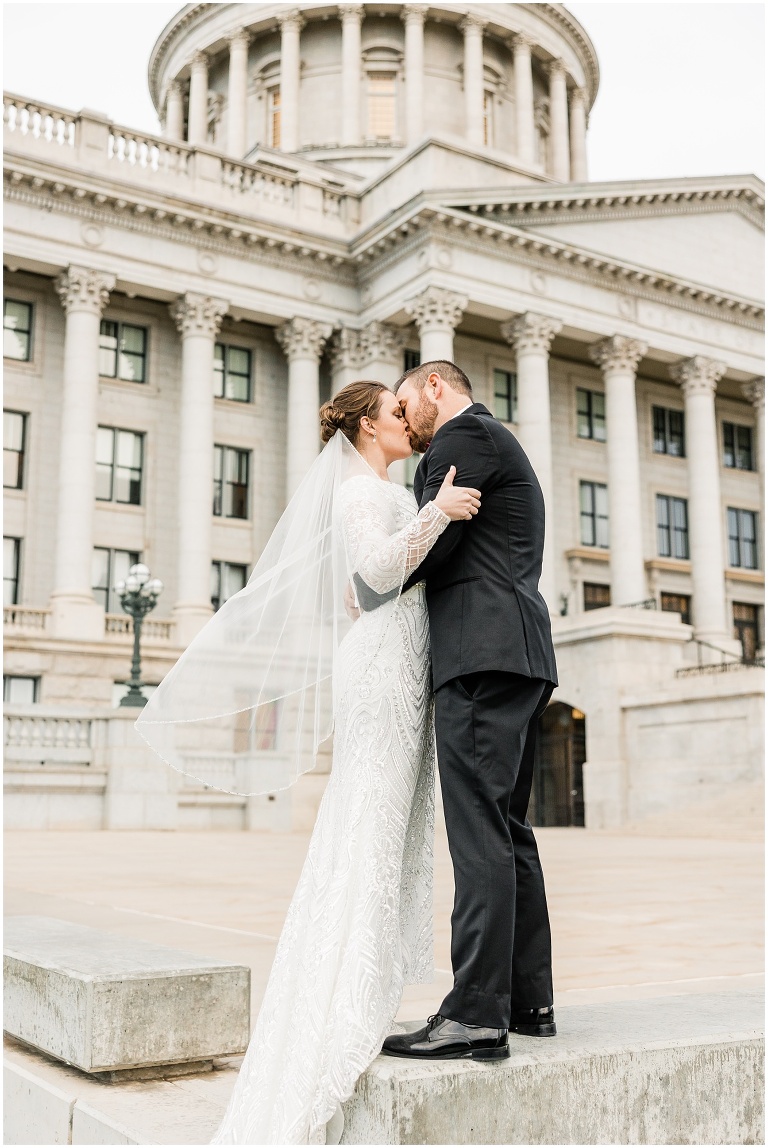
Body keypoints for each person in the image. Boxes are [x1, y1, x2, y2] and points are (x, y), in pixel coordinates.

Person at [138, 380, 481, 1145]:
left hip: (401, 660)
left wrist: (421, 521)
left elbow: (368, 581)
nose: (408, 421)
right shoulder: (362, 492)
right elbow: (380, 569)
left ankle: (360, 987)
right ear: (366, 426)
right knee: (367, 825)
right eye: (396, 413)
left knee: (386, 827)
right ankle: (344, 1003)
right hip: (382, 670)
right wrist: (438, 512)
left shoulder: (383, 488)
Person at [379, 360, 559, 1063]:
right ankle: (528, 1002)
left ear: (434, 387)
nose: (405, 420)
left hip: (481, 655)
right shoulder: (494, 438)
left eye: (405, 403)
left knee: (479, 832)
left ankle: (475, 1014)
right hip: (516, 653)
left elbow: (432, 545)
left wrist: (369, 582)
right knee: (508, 831)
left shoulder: (462, 437)